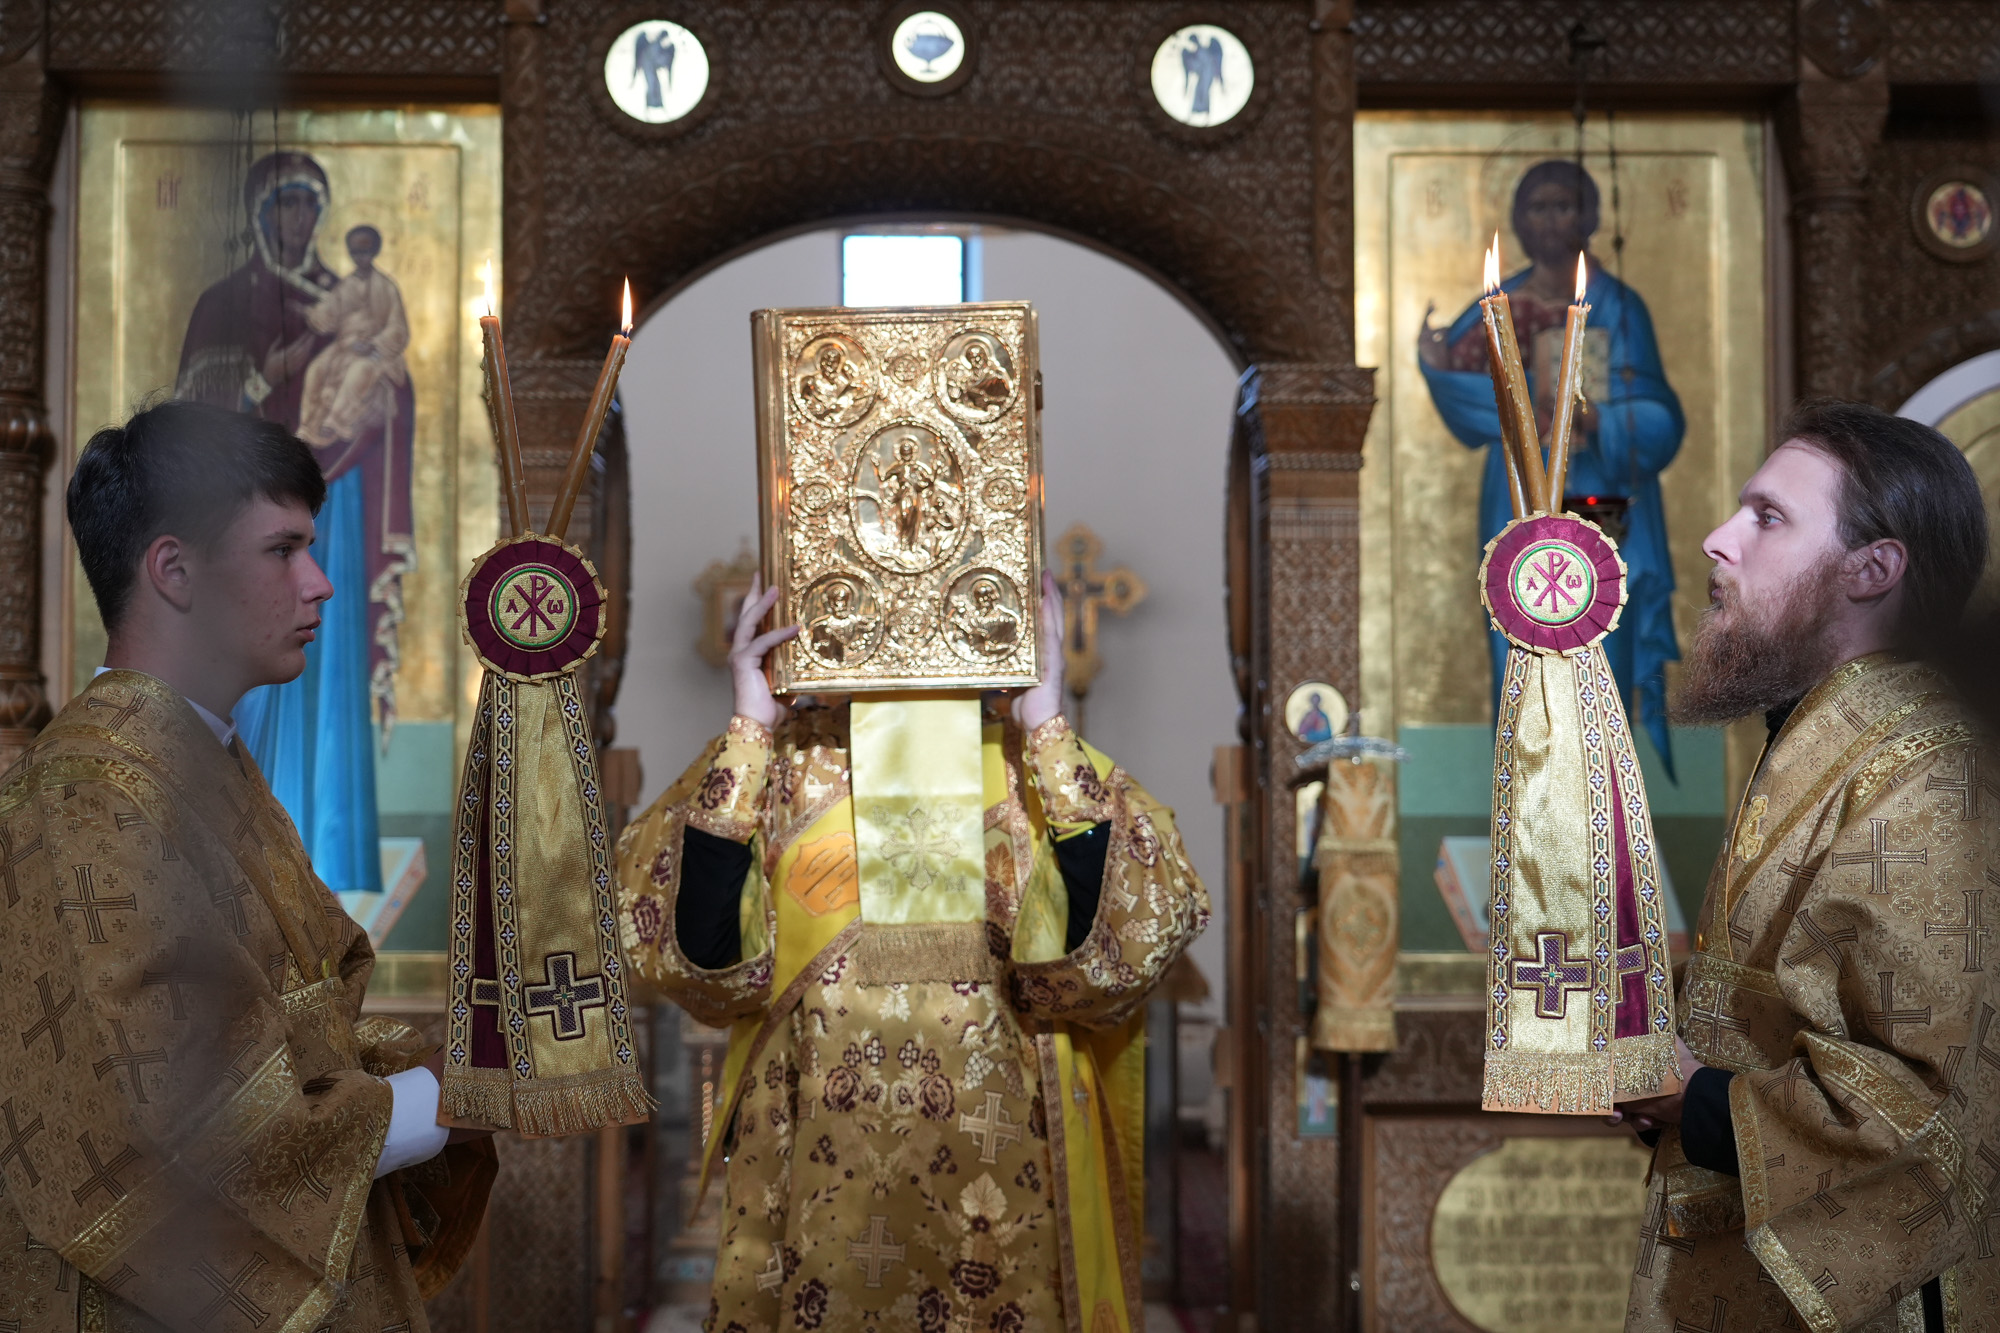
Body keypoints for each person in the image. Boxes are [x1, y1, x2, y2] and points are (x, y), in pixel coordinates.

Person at [0, 401, 492, 1329]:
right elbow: (180, 1112)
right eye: (282, 549)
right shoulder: (87, 799)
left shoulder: (199, 763)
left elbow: (302, 1031)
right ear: (174, 571)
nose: (322, 583)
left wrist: (462, 1064)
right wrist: (449, 1094)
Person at [615, 570, 1207, 1333]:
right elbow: (702, 967)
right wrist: (751, 724)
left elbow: (1120, 958)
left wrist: (1046, 721)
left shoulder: (1040, 766)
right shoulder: (778, 765)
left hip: (1009, 1178)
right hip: (813, 1167)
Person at [1616, 400, 1999, 1330]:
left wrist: (1695, 1100)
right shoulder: (1828, 743)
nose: (1716, 539)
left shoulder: (1930, 776)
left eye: (1768, 516)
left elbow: (1928, 1107)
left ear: (1872, 569)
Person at [1419, 160, 1687, 774]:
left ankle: (1605, 792)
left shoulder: (1618, 307)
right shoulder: (1499, 307)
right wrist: (1438, 367)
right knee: (1520, 631)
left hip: (1600, 501)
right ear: (1518, 220)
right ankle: (1525, 793)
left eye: (1562, 206)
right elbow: (1466, 395)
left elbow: (1660, 419)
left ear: (1588, 216)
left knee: (1602, 633)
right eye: (1536, 208)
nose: (1549, 220)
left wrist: (1595, 420)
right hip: (1517, 496)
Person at [298, 226, 410, 454]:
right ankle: (308, 425)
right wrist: (315, 314)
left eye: (365, 251)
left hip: (376, 352)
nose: (360, 257)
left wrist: (374, 344)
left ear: (375, 250)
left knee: (360, 371)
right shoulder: (345, 287)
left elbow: (399, 328)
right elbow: (329, 314)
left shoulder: (387, 287)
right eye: (355, 252)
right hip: (345, 347)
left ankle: (335, 421)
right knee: (316, 369)